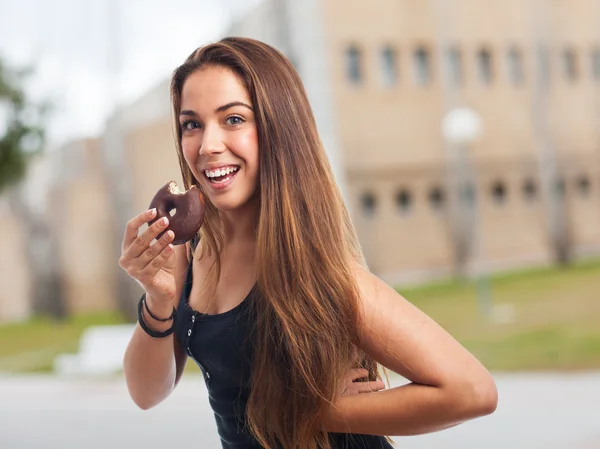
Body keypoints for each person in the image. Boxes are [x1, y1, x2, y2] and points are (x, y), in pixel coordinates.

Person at [119, 37, 497, 449]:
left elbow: (471, 391)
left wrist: (317, 410)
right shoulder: (188, 254)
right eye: (192, 124)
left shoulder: (318, 272)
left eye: (233, 120)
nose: (207, 145)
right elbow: (146, 394)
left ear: (277, 128)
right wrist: (157, 300)